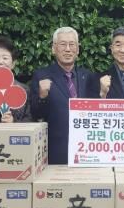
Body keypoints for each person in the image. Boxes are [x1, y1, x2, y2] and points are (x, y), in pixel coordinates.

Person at [30, 27, 98, 164]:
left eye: (72, 44)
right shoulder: (41, 76)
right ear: (53, 49)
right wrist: (42, 96)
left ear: (78, 49)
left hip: (86, 151)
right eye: (63, 44)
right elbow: (36, 114)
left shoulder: (88, 76)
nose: (68, 49)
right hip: (56, 152)